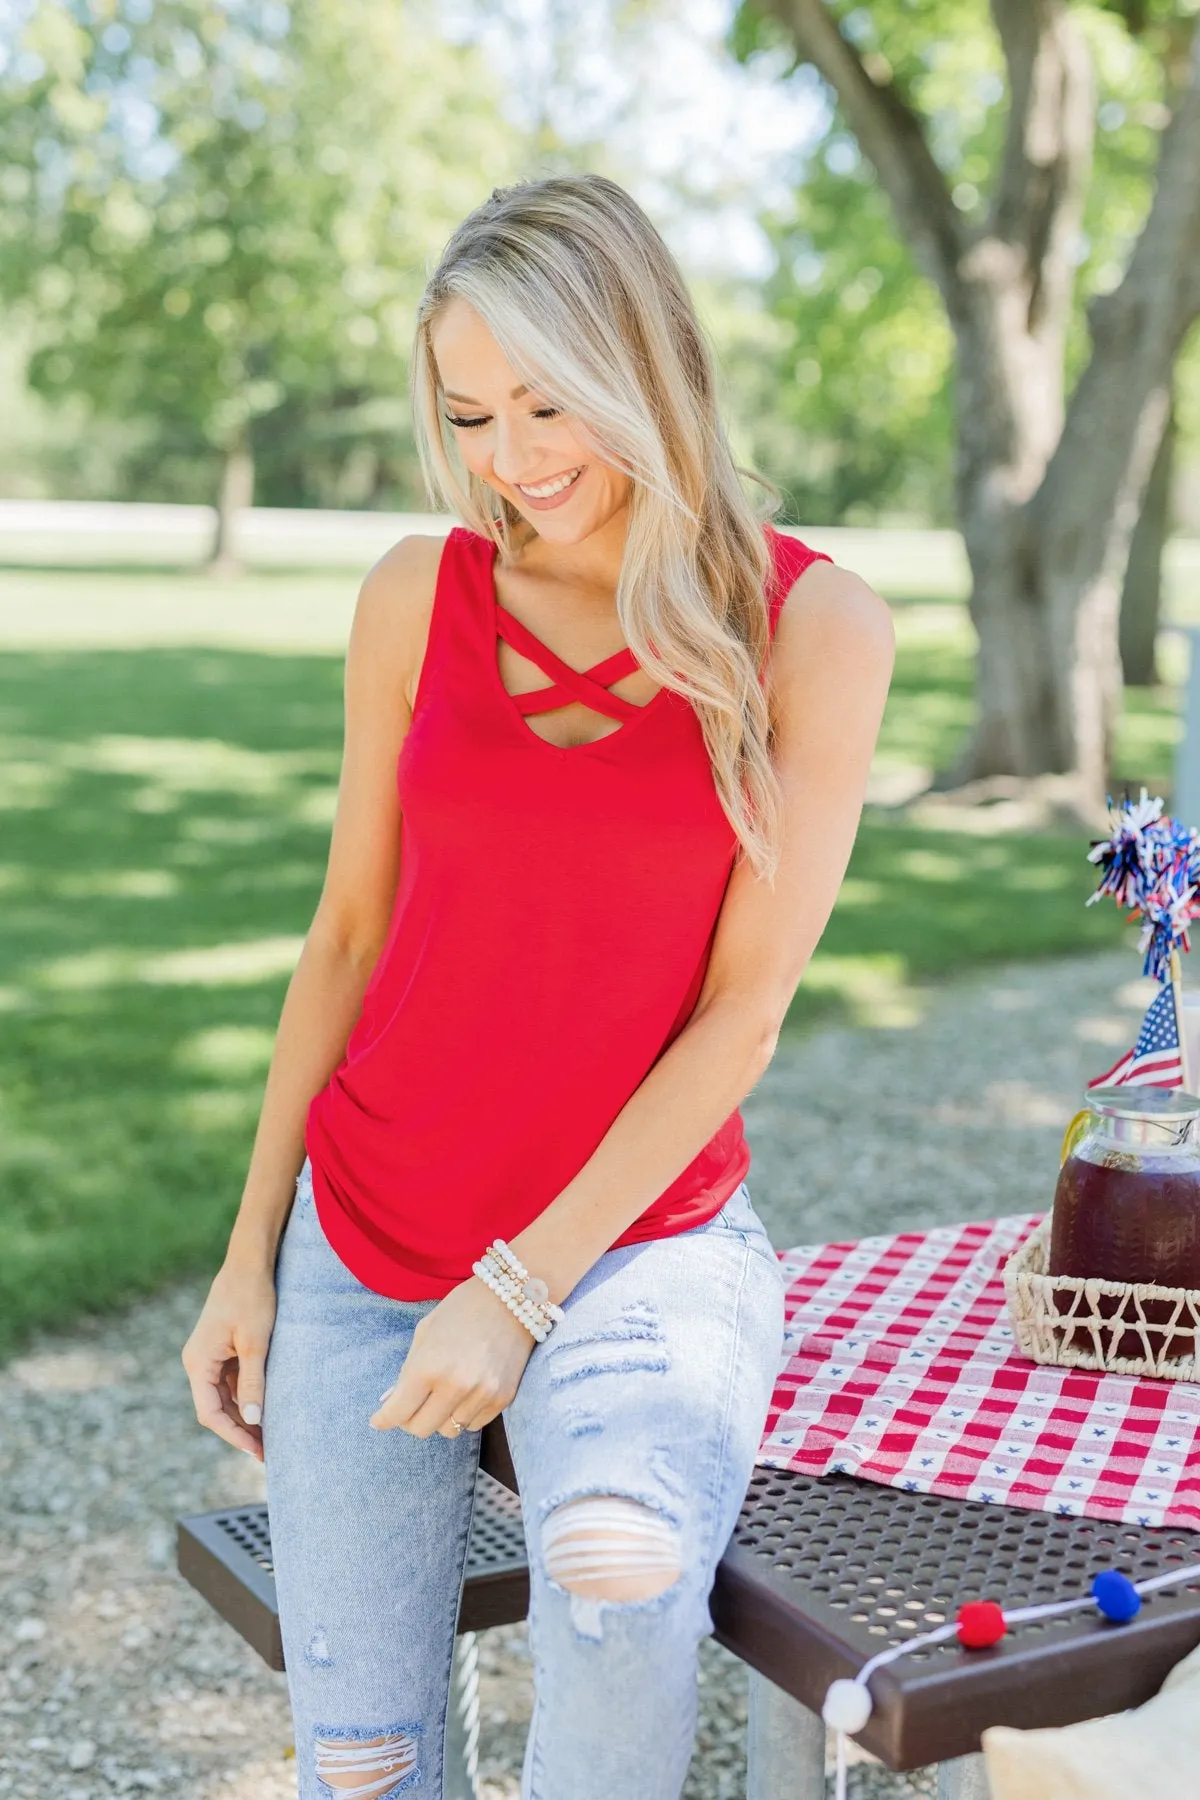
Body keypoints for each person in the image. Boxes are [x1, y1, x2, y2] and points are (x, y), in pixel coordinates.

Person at [182, 172, 894, 1800]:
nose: (511, 457)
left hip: (633, 1247)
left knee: (621, 1569)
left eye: (548, 401)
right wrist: (248, 1261)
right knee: (359, 1760)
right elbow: (346, 937)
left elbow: (747, 1012)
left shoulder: (811, 628)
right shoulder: (413, 598)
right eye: (471, 411)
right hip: (366, 1233)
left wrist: (518, 1291)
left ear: (645, 362)